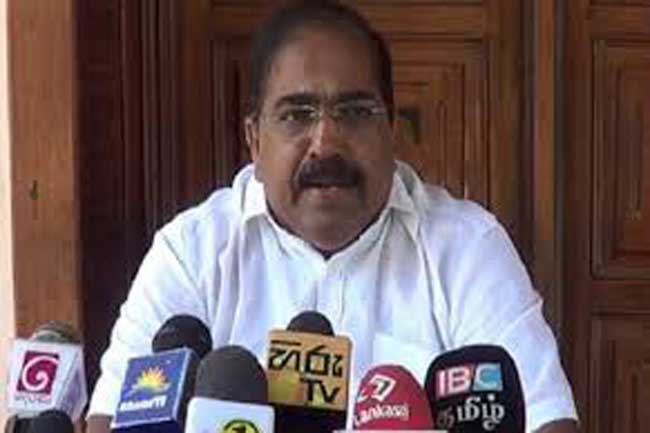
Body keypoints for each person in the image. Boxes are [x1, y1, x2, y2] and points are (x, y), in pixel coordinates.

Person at [86, 1, 579, 432]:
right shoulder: (191, 250)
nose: (325, 143)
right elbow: (114, 420)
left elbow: (546, 420)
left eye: (355, 112)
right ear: (255, 141)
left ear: (392, 132)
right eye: (296, 115)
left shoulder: (466, 247)